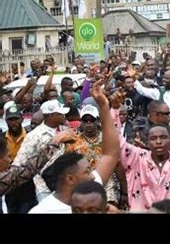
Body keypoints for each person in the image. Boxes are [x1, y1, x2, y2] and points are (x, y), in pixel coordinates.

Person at [29, 81, 121, 213]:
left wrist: (104, 106)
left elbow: (111, 154)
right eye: (87, 172)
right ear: (70, 179)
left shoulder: (88, 190)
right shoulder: (43, 211)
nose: (93, 176)